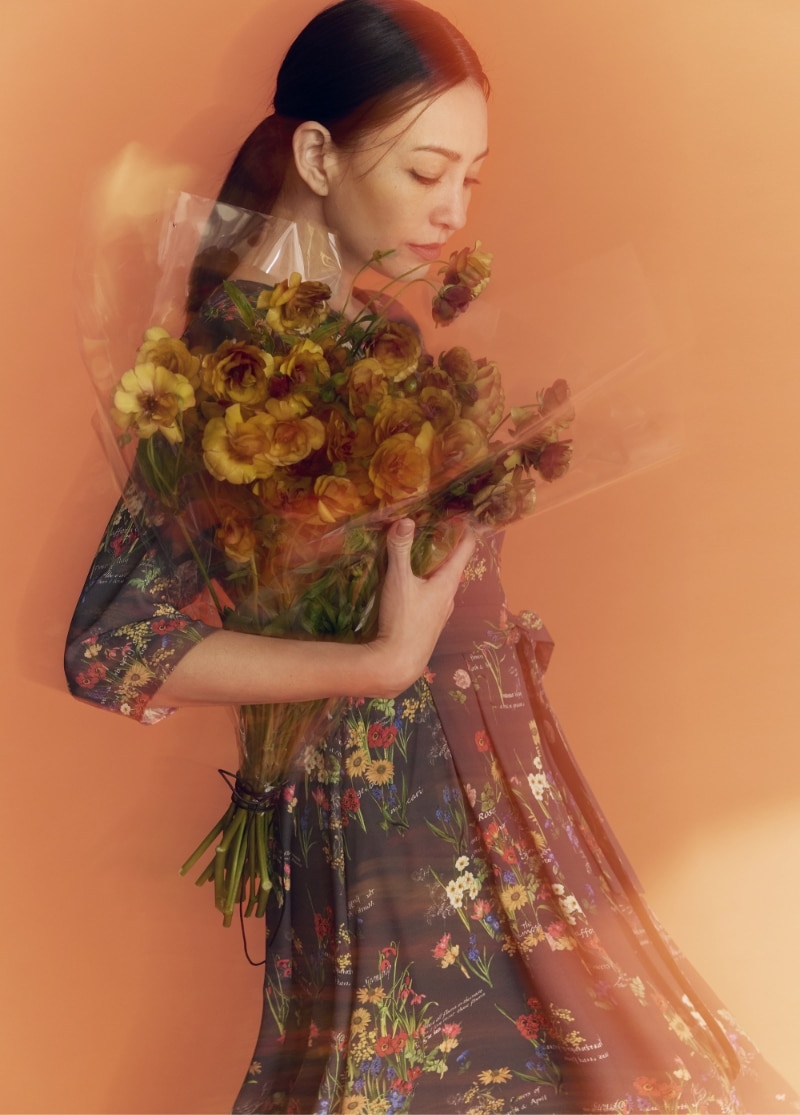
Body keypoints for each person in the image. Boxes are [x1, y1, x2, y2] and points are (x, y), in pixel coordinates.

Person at [65, 1, 799, 1112]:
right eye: (424, 171)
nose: (453, 210)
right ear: (318, 155)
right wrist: (378, 661)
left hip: (484, 792)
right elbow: (111, 647)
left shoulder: (361, 335)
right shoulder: (236, 366)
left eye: (472, 177)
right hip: (397, 830)